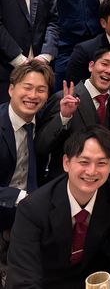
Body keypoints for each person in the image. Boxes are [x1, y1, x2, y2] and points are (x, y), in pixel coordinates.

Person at [7, 126, 110, 289]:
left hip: (96, 276)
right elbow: (23, 278)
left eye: (101, 163)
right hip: (51, 281)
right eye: (84, 162)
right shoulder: (33, 208)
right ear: (66, 163)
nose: (92, 171)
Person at [36, 45, 110, 182]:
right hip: (66, 182)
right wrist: (64, 117)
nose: (109, 71)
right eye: (104, 64)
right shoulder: (63, 98)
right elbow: (41, 146)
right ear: (91, 66)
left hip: (105, 182)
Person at [0, 61, 53, 257]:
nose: (33, 95)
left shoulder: (41, 120)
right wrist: (20, 197)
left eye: (41, 90)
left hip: (29, 215)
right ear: (11, 89)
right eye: (27, 87)